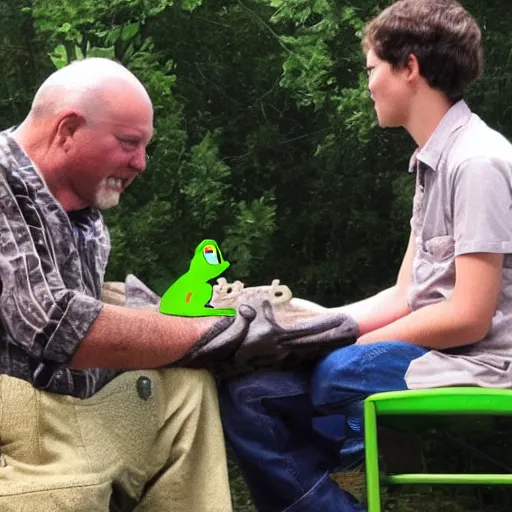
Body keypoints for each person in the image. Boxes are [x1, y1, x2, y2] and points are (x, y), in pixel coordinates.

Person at [219, 0, 512, 510]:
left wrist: (340, 348)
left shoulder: (478, 162)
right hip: (428, 353)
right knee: (247, 394)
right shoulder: (432, 165)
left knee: (340, 370)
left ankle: (358, 445)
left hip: (482, 361)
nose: (368, 82)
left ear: (410, 67)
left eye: (372, 69)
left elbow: (468, 316)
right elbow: (404, 295)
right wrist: (306, 327)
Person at [0, 58, 233, 512]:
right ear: (66, 129)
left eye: (145, 147)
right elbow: (52, 323)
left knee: (185, 384)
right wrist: (212, 332)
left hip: (71, 413)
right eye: (129, 143)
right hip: (17, 425)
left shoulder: (85, 211)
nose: (141, 163)